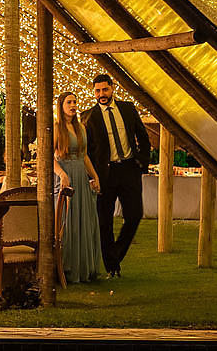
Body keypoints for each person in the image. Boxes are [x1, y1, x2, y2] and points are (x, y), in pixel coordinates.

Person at [84, 73, 151, 277]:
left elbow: (143, 137)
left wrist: (141, 162)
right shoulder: (88, 117)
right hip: (105, 173)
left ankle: (115, 255)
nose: (101, 94)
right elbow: (87, 151)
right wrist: (92, 176)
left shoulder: (128, 109)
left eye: (105, 89)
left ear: (112, 88)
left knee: (135, 215)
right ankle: (112, 266)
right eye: (97, 91)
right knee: (104, 221)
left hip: (129, 169)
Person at [53, 91, 102, 283]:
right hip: (65, 176)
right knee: (67, 221)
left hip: (81, 176)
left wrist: (94, 176)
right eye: (69, 102)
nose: (73, 105)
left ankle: (84, 268)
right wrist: (61, 174)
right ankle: (66, 268)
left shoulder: (81, 127)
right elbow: (47, 156)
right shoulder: (56, 128)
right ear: (61, 106)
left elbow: (85, 155)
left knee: (84, 220)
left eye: (75, 102)